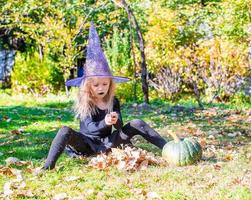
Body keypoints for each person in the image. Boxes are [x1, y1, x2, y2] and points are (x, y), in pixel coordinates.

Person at [42, 22, 166, 170]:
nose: (101, 88)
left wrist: (115, 121)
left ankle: (168, 147)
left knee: (137, 123)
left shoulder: (113, 100)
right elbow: (92, 128)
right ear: (88, 86)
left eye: (105, 84)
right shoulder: (85, 101)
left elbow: (119, 126)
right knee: (64, 131)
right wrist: (106, 123)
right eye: (96, 85)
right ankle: (48, 166)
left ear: (110, 84)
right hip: (86, 144)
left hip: (108, 143)